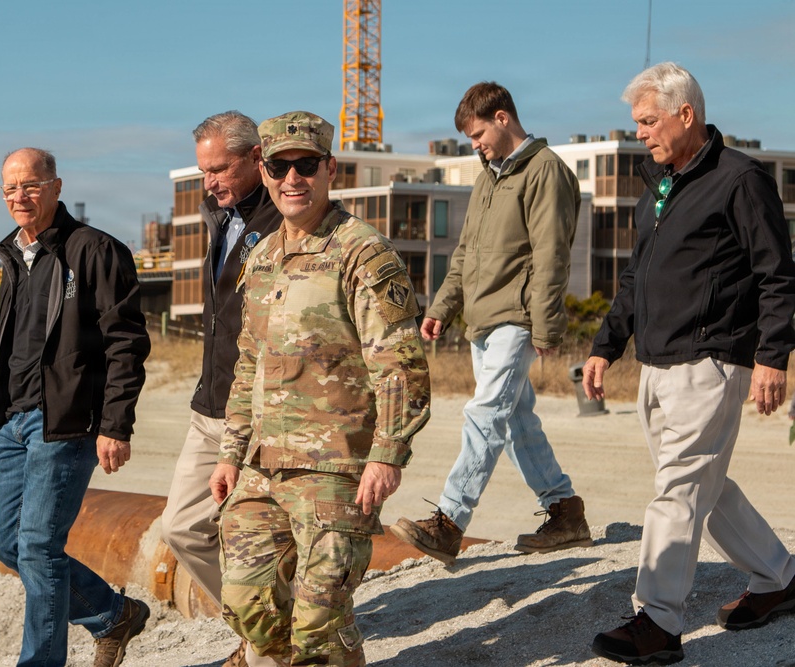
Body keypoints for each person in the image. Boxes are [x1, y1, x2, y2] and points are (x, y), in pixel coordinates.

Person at [584, 63, 795, 665]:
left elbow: (777, 275)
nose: (640, 134)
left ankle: (657, 621)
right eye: (636, 124)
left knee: (678, 489)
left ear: (686, 114)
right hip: (656, 364)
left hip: (710, 361)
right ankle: (779, 576)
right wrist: (605, 344)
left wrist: (772, 357)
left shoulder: (740, 179)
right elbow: (636, 277)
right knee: (704, 484)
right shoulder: (658, 184)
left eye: (649, 122)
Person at [210, 111, 431, 666]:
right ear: (263, 171)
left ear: (330, 169)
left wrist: (388, 454)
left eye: (306, 165)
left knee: (319, 621)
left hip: (335, 469)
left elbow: (401, 366)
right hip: (263, 465)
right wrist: (231, 453)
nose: (293, 179)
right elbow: (248, 365)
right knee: (245, 602)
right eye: (280, 166)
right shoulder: (260, 258)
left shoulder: (362, 253)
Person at [390, 82, 590, 566]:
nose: (474, 144)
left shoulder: (546, 172)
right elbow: (465, 253)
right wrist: (441, 307)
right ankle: (565, 513)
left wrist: (545, 327)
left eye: (478, 133)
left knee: (483, 414)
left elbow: (551, 256)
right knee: (517, 419)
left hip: (517, 319)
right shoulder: (487, 178)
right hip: (482, 319)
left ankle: (450, 522)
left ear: (503, 118)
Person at [0, 148, 152, 667]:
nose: (19, 196)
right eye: (9, 189)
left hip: (67, 422)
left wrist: (116, 424)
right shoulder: (13, 256)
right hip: (13, 424)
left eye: (30, 185)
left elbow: (126, 343)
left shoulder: (94, 250)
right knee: (7, 545)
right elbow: (9, 347)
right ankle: (112, 615)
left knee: (40, 548)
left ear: (55, 186)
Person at [160, 111, 282, 667]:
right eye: (204, 170)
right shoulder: (219, 217)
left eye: (220, 168)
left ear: (256, 158)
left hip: (262, 411)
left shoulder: (283, 217)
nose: (209, 180)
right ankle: (260, 628)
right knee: (183, 526)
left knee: (264, 536)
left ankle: (267, 641)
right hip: (210, 405)